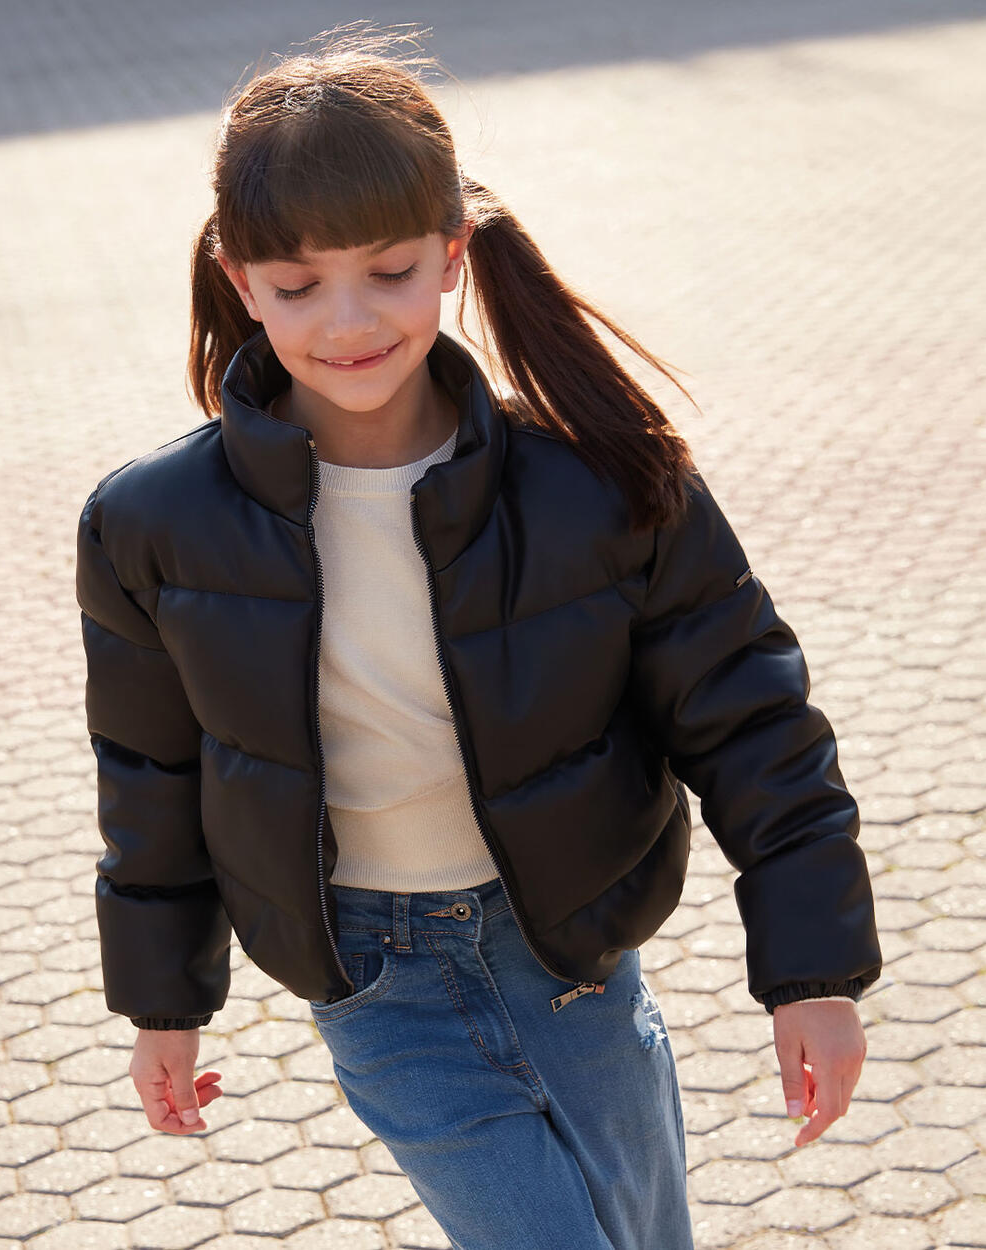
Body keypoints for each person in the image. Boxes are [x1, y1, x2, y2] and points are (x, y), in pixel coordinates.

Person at [74, 24, 880, 1250]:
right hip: (375, 982)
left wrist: (812, 971)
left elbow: (752, 719)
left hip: (569, 953)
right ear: (239, 279)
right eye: (295, 286)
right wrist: (163, 1003)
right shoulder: (152, 525)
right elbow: (149, 777)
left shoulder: (597, 482)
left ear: (452, 256)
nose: (346, 321)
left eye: (388, 271)